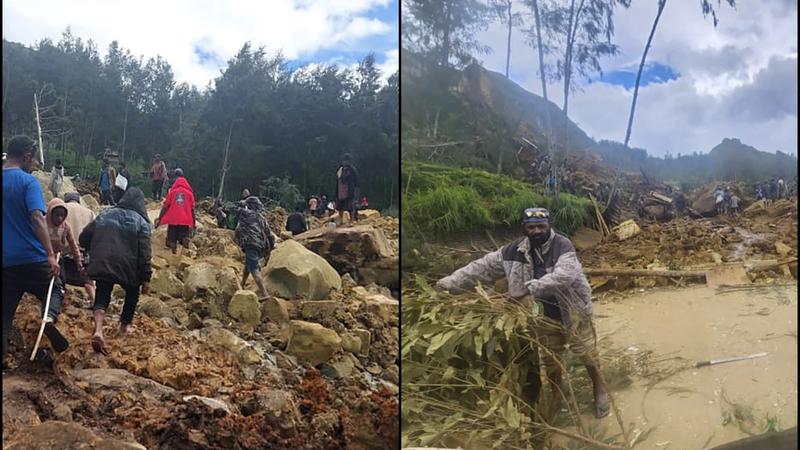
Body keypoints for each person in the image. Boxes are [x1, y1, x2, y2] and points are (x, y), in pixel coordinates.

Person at [435, 207, 609, 418]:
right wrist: (449, 283)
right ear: (524, 228)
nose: (536, 231)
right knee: (551, 360)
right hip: (541, 315)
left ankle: (599, 390)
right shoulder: (512, 251)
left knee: (587, 354)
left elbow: (565, 275)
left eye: (541, 226)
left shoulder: (562, 246)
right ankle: (558, 396)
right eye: (531, 227)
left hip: (572, 311)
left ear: (549, 226)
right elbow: (481, 267)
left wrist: (527, 289)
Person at [3, 136, 69, 361]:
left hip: (6, 263)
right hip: (32, 258)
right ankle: (48, 318)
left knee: (4, 315)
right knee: (56, 286)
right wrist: (51, 255)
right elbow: (37, 217)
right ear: (26, 156)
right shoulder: (28, 182)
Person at [79, 188, 151, 355]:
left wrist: (94, 249)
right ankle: (124, 327)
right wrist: (146, 278)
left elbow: (83, 237)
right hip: (128, 267)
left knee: (103, 293)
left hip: (104, 262)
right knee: (132, 295)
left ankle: (98, 330)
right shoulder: (142, 222)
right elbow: (145, 253)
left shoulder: (105, 214)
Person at [45, 198, 85, 322]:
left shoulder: (65, 227)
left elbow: (73, 245)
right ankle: (47, 307)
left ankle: (55, 308)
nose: (59, 218)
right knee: (49, 282)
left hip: (57, 257)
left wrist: (79, 262)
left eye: (62, 215)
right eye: (57, 215)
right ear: (50, 214)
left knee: (61, 282)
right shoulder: (42, 224)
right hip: (42, 258)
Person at [234, 196, 274, 299]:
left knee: (254, 269)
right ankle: (242, 284)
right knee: (248, 265)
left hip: (250, 243)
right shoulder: (261, 217)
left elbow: (229, 207)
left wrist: (242, 203)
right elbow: (270, 235)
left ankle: (264, 293)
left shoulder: (245, 213)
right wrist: (270, 248)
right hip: (259, 245)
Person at [63, 193, 96, 305]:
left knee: (59, 277)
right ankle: (94, 301)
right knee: (88, 280)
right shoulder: (89, 212)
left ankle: (59, 299)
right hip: (83, 251)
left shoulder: (62, 208)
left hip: (65, 250)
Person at [154, 168, 195, 255]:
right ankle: (185, 258)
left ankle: (174, 256)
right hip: (185, 220)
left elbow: (165, 207)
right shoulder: (189, 193)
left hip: (173, 219)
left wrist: (159, 219)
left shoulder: (172, 192)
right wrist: (193, 224)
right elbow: (192, 210)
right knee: (184, 238)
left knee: (172, 240)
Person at [335, 153, 359, 225]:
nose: (344, 162)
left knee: (350, 206)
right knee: (340, 206)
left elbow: (356, 180)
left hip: (349, 190)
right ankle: (340, 220)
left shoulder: (352, 170)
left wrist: (356, 190)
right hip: (340, 191)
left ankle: (351, 220)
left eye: (346, 161)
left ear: (349, 161)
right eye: (343, 161)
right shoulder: (340, 169)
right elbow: (338, 180)